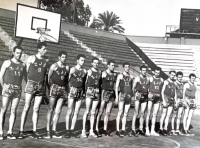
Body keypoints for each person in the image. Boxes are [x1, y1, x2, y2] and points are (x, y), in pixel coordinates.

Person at [18, 42, 49, 139]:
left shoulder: (46, 61)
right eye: (43, 49)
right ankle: (21, 131)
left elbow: (45, 75)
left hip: (40, 85)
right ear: (39, 49)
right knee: (26, 107)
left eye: (45, 49)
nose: (45, 51)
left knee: (36, 109)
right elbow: (26, 72)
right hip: (31, 83)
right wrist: (29, 83)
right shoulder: (31, 58)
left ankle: (34, 130)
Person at [0, 46, 26, 140]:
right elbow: (1, 76)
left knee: (13, 110)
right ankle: (0, 132)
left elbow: (25, 77)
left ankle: (10, 132)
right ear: (13, 52)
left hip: (17, 88)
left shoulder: (23, 65)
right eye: (17, 53)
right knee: (3, 109)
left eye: (20, 53)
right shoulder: (7, 62)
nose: (19, 55)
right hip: (8, 87)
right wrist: (3, 87)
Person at [45, 51, 69, 139]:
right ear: (59, 57)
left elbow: (66, 80)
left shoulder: (67, 67)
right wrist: (50, 88)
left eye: (65, 57)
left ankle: (54, 129)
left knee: (58, 110)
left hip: (62, 89)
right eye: (63, 57)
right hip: (54, 88)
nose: (64, 59)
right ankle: (48, 130)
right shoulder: (54, 66)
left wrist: (66, 90)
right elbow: (48, 78)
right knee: (51, 109)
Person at [65, 54, 87, 138]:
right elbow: (67, 80)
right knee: (70, 110)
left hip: (80, 91)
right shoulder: (73, 69)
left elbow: (84, 82)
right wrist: (69, 90)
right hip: (72, 90)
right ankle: (67, 130)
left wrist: (83, 92)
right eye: (81, 60)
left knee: (76, 111)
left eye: (84, 60)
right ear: (77, 60)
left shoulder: (84, 71)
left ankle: (72, 129)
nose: (83, 62)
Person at [81, 57, 101, 138]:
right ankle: (83, 131)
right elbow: (84, 82)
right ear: (92, 63)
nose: (96, 64)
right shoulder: (88, 71)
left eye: (97, 63)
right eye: (95, 62)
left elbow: (100, 83)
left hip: (97, 91)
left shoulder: (99, 72)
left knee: (93, 112)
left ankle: (91, 130)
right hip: (89, 90)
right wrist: (84, 92)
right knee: (87, 111)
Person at [95, 59, 117, 137]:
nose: (113, 67)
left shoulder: (114, 74)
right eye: (112, 65)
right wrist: (100, 96)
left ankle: (105, 129)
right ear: (108, 65)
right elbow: (99, 84)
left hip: (111, 95)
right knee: (100, 112)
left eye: (114, 65)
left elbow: (115, 85)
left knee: (108, 113)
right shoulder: (103, 73)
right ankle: (96, 129)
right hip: (104, 94)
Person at [129, 65, 149, 137]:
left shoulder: (147, 78)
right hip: (138, 96)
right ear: (140, 71)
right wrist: (133, 95)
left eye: (145, 70)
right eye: (143, 70)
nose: (144, 72)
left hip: (145, 96)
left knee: (142, 113)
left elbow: (148, 88)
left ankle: (141, 129)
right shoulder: (137, 78)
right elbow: (133, 87)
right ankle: (133, 129)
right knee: (136, 112)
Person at [115, 62, 133, 137]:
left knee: (126, 113)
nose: (127, 68)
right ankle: (117, 129)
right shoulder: (120, 76)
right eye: (126, 67)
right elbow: (116, 87)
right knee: (120, 112)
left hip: (128, 95)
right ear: (123, 67)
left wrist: (132, 96)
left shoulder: (131, 77)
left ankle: (123, 129)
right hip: (122, 94)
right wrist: (116, 96)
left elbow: (132, 88)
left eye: (128, 67)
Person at [145, 67, 163, 136]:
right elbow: (147, 87)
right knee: (149, 113)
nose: (157, 74)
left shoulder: (161, 80)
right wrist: (148, 93)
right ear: (154, 72)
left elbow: (161, 90)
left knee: (155, 114)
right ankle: (147, 129)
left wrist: (161, 99)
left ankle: (152, 130)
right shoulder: (150, 78)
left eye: (158, 73)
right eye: (156, 72)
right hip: (151, 98)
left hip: (157, 98)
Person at [159, 71, 177, 136]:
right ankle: (161, 128)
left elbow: (175, 93)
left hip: (171, 99)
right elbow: (162, 92)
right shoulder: (166, 81)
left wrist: (175, 101)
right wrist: (163, 100)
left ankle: (165, 128)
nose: (173, 76)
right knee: (164, 114)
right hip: (166, 98)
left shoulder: (174, 83)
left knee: (168, 115)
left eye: (174, 75)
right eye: (172, 75)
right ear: (169, 75)